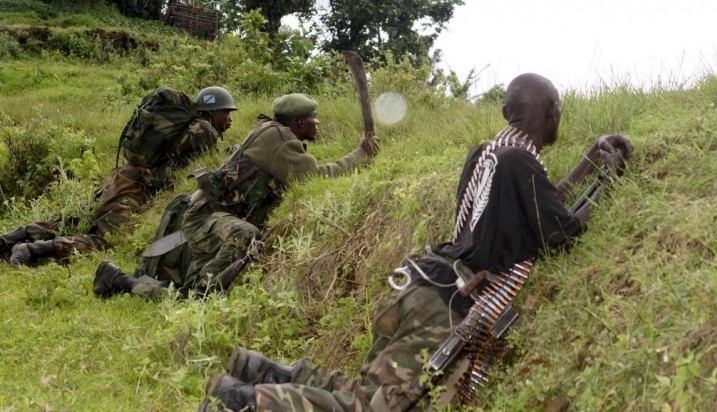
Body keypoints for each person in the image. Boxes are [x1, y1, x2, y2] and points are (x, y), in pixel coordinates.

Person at [198, 73, 633, 411]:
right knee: (380, 406)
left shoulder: (487, 154)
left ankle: (262, 372)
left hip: (421, 285)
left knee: (368, 391)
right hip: (447, 306)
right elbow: (563, 233)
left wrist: (590, 158)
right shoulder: (520, 162)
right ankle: (241, 402)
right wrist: (610, 176)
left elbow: (538, 201)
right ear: (554, 114)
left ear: (505, 113)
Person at [92, 93, 378, 299]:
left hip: (209, 214)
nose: (318, 123)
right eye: (314, 118)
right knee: (246, 235)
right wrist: (360, 154)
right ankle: (196, 294)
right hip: (206, 217)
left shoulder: (271, 131)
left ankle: (141, 283)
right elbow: (316, 178)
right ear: (300, 121)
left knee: (242, 236)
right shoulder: (279, 140)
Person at [1, 86, 237, 266]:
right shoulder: (204, 130)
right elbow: (203, 166)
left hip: (119, 176)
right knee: (105, 240)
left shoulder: (186, 125)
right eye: (226, 113)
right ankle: (33, 251)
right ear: (211, 112)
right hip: (134, 186)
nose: (229, 119)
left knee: (77, 221)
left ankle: (11, 239)